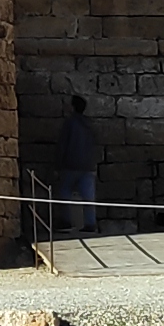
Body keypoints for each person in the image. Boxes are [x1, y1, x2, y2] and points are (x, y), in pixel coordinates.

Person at [54, 98, 102, 237]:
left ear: (72, 106)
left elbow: (62, 145)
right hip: (88, 165)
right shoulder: (91, 124)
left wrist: (58, 165)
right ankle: (90, 224)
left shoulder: (69, 123)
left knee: (64, 192)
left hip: (70, 164)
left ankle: (66, 222)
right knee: (88, 196)